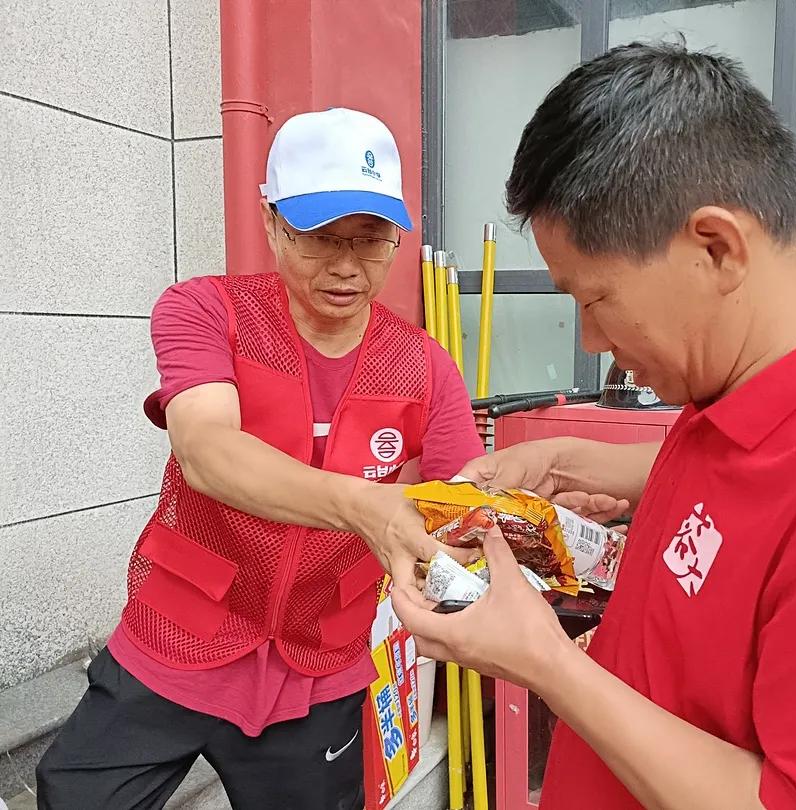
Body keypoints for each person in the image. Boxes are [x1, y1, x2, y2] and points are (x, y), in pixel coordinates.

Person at [390, 44, 796, 809]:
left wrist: (549, 665)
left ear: (716, 246)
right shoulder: (749, 384)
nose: (591, 342)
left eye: (594, 299)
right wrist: (570, 462)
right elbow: (751, 486)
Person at [36, 108, 482, 809]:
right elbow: (207, 453)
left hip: (319, 664)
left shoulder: (424, 367)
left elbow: (464, 503)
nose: (344, 265)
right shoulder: (207, 312)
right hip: (177, 637)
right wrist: (364, 505)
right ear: (271, 222)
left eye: (369, 241)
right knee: (73, 795)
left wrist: (519, 534)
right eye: (317, 237)